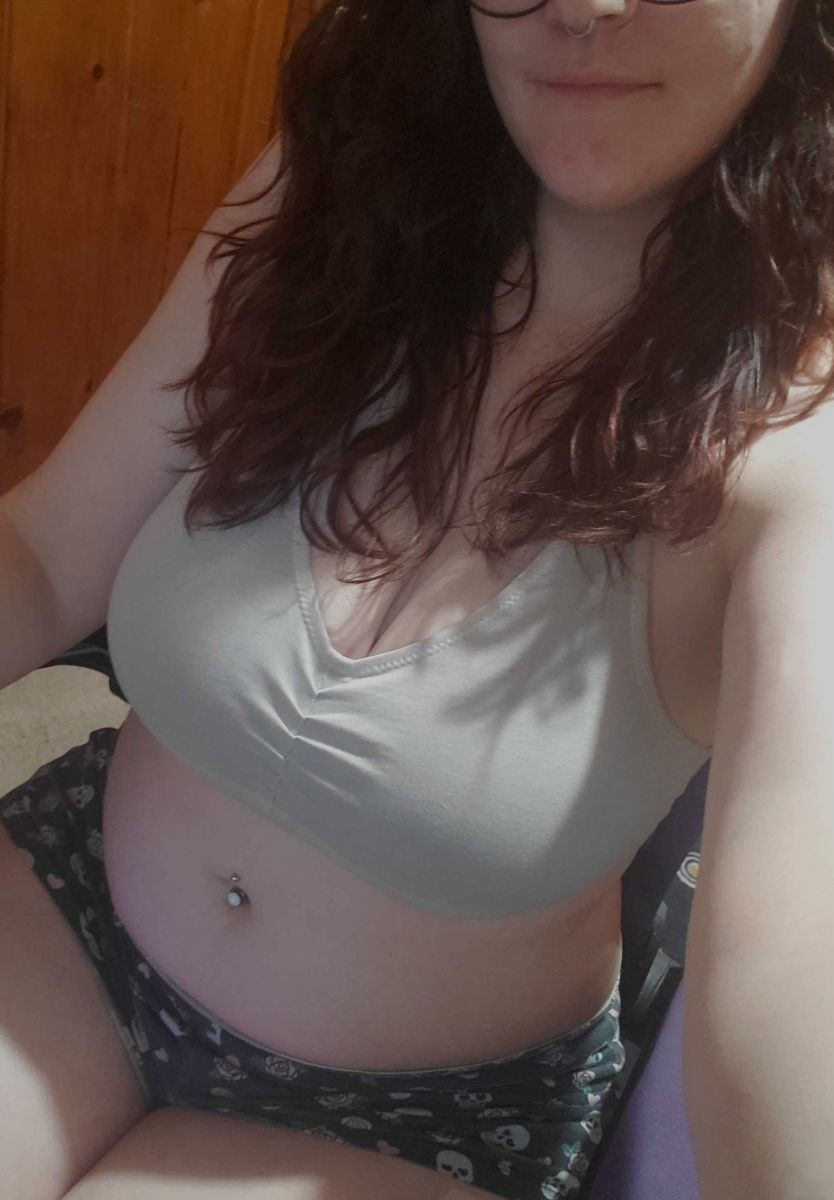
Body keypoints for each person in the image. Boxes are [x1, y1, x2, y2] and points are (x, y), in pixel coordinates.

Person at [1, 1, 830, 1198]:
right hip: (76, 911)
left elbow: (783, 991)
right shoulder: (341, 192)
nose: (583, 8)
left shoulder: (801, 457)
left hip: (413, 1116)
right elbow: (41, 555)